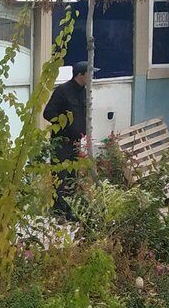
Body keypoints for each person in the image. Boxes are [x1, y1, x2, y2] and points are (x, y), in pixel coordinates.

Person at [42, 60, 97, 220]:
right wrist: (65, 126)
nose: (92, 77)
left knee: (73, 177)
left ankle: (70, 209)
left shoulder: (84, 92)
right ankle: (58, 211)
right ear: (80, 75)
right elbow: (48, 113)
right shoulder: (63, 91)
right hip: (62, 142)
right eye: (90, 74)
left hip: (75, 142)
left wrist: (82, 134)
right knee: (60, 177)